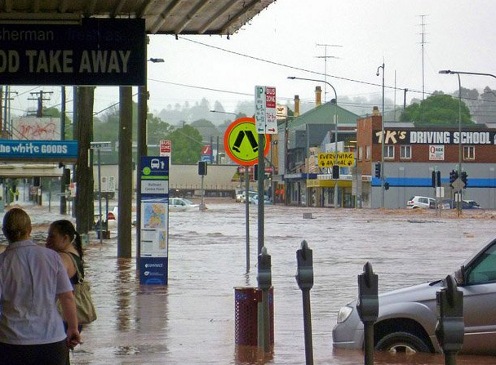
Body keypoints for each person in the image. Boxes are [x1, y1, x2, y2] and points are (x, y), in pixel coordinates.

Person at [0, 208, 80, 365]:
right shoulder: (52, 257)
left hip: (11, 342)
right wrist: (73, 328)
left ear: (4, 232)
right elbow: (67, 297)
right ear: (30, 230)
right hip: (52, 340)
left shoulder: (2, 262)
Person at [46, 219, 85, 332]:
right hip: (74, 315)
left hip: (63, 315)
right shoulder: (74, 254)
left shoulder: (62, 259)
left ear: (65, 238)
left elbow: (48, 284)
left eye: (52, 237)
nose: (48, 240)